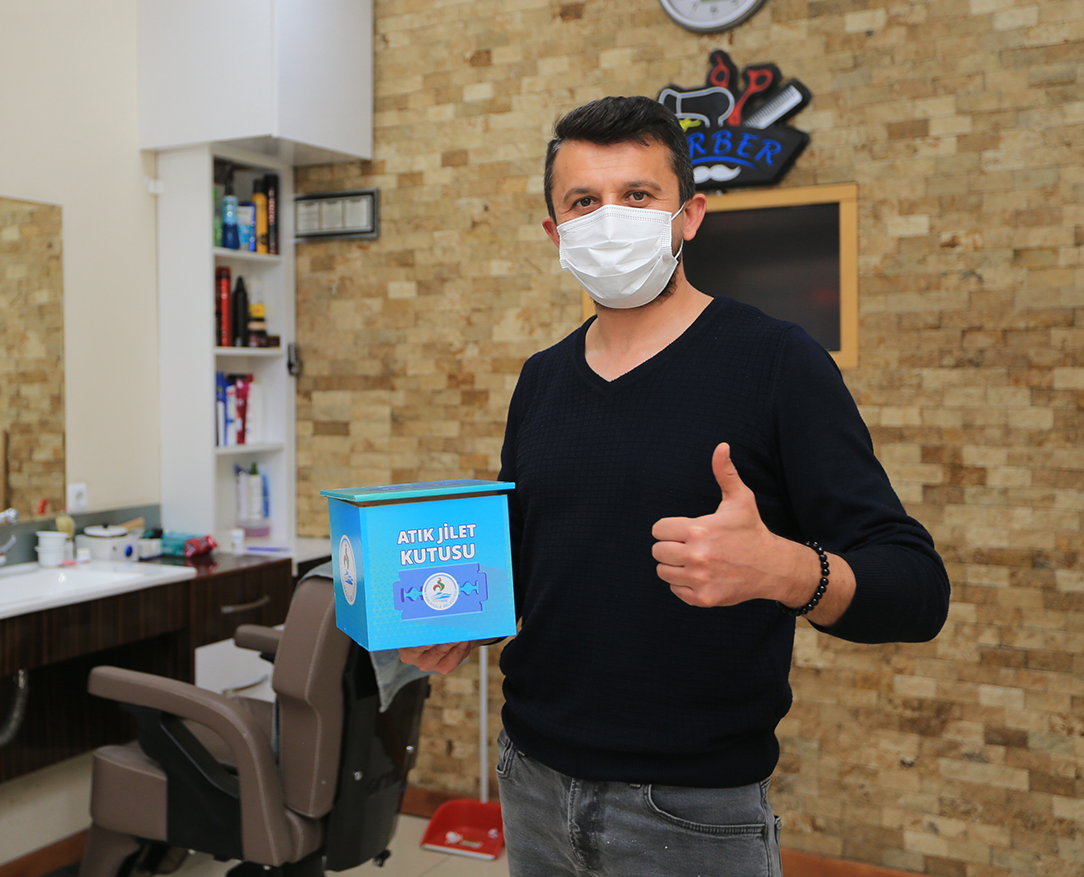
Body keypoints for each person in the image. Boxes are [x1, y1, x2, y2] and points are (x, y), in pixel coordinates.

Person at [401, 96, 949, 877]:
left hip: (692, 809)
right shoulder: (542, 379)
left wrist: (787, 570)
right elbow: (533, 562)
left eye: (637, 195)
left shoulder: (777, 362)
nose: (609, 219)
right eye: (584, 202)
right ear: (556, 234)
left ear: (688, 216)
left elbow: (919, 590)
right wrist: (459, 615)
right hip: (531, 780)